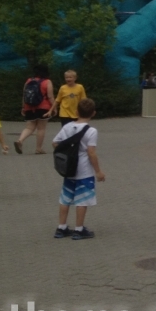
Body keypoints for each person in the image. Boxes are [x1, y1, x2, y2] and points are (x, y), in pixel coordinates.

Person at [53, 98, 105, 239]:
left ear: (76, 111)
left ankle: (61, 227)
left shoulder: (67, 126)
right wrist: (98, 171)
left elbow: (55, 143)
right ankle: (79, 229)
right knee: (82, 200)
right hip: (84, 170)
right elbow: (91, 153)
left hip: (69, 170)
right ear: (93, 113)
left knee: (65, 198)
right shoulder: (91, 131)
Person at [16, 63, 54, 154]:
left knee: (29, 128)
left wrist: (23, 107)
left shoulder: (29, 81)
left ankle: (20, 140)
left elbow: (24, 95)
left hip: (29, 107)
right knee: (41, 128)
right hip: (43, 107)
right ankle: (38, 148)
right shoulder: (47, 82)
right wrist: (54, 107)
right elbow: (50, 96)